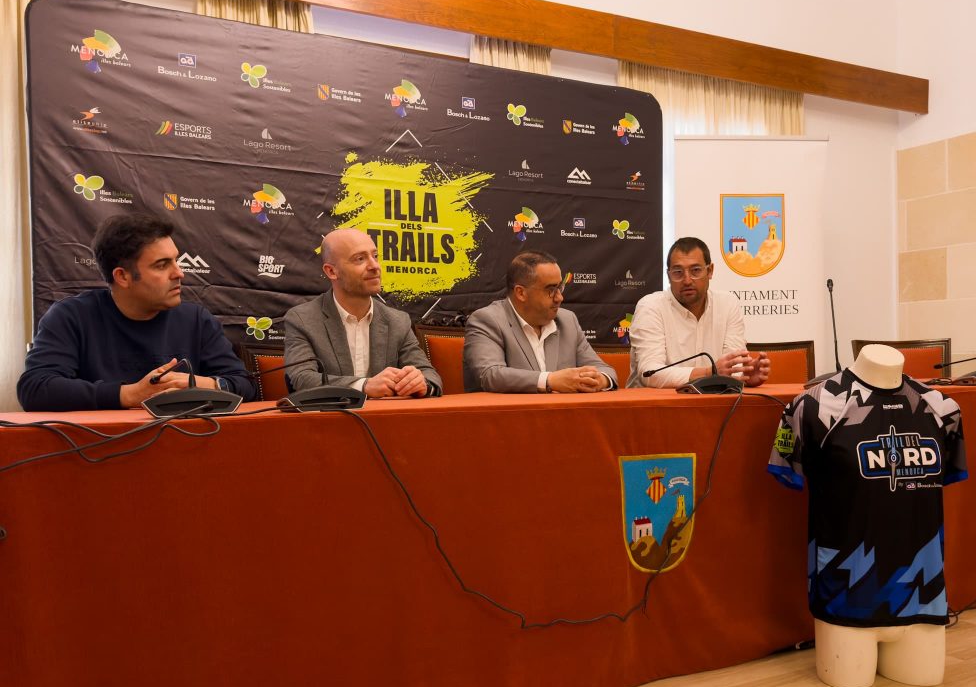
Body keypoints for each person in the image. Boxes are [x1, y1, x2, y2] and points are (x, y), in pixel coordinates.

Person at [768, 344, 968, 687]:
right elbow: (789, 473)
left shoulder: (942, 408)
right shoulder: (813, 407)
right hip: (845, 599)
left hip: (922, 597)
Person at [17, 212, 255, 412]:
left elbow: (245, 385)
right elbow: (35, 389)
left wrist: (199, 384)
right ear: (123, 276)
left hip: (184, 444)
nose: (179, 273)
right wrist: (130, 394)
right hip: (100, 446)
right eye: (162, 265)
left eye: (176, 261)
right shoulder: (71, 316)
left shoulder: (196, 320)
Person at [283, 228, 441, 398]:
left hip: (385, 414)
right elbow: (301, 379)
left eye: (375, 256)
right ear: (331, 271)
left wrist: (421, 383)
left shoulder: (397, 321)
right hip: (329, 415)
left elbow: (429, 376)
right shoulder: (302, 319)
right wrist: (363, 386)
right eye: (360, 259)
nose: (374, 266)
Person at [463, 250, 617, 393]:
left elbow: (605, 370)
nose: (559, 297)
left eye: (560, 287)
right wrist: (549, 380)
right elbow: (490, 375)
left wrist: (599, 380)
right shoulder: (488, 320)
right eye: (551, 290)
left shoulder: (567, 320)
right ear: (521, 293)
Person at [627, 237, 770, 388]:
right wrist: (709, 373)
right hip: (655, 402)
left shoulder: (727, 304)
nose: (687, 280)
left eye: (695, 270)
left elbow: (731, 367)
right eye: (678, 272)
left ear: (710, 271)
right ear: (668, 276)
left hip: (713, 399)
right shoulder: (651, 307)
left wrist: (744, 376)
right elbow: (650, 374)